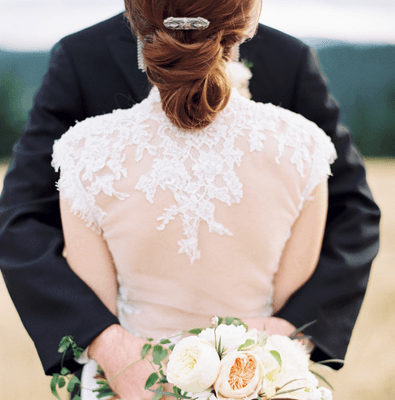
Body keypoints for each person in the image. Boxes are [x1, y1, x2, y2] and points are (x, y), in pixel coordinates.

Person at [0, 0, 379, 397]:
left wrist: (288, 335)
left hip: (255, 374)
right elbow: (23, 214)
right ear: (248, 17)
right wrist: (106, 343)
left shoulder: (290, 61)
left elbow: (353, 210)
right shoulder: (81, 59)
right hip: (127, 375)